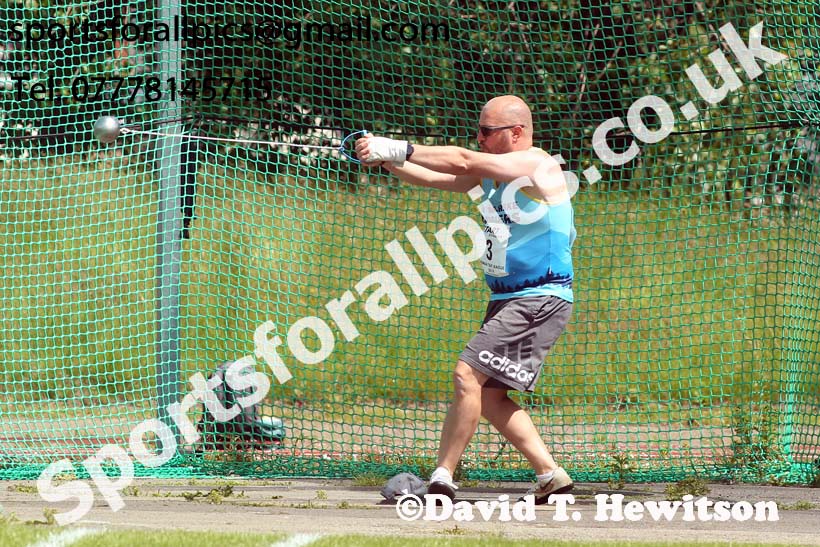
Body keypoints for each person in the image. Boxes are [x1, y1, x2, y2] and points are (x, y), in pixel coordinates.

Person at [354, 95, 576, 504]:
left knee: (466, 375)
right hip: (512, 299)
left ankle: (442, 479)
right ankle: (551, 476)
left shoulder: (537, 164)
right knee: (490, 396)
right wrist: (384, 161)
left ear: (517, 133)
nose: (479, 138)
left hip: (538, 298)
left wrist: (398, 146)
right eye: (479, 130)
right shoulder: (490, 176)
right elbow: (437, 177)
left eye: (487, 132)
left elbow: (462, 161)